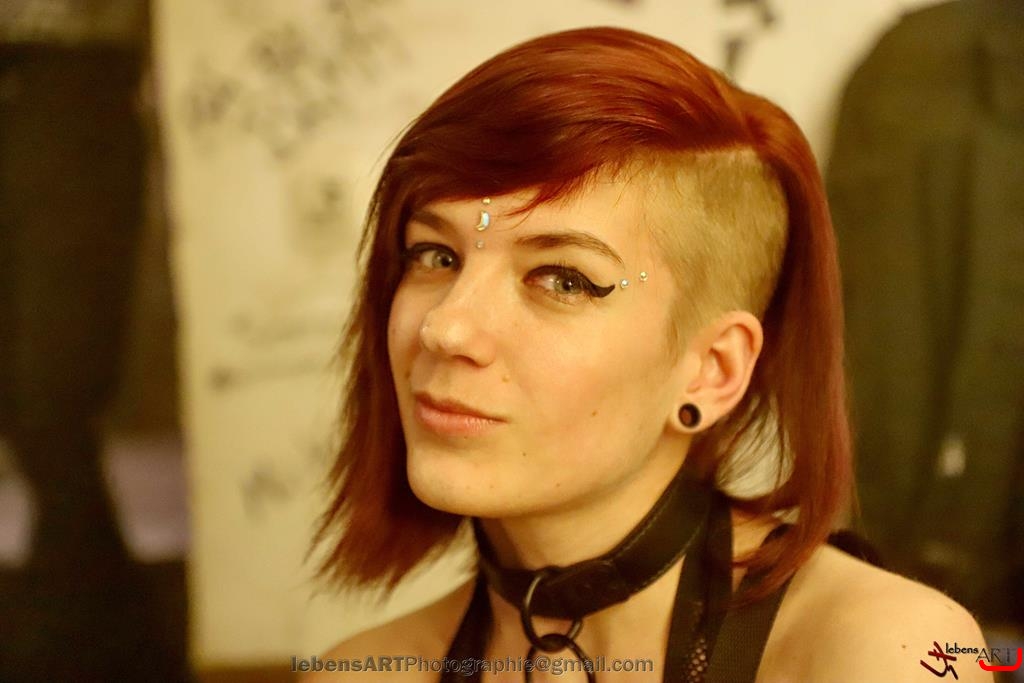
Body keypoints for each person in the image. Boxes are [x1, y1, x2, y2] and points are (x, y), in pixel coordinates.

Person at [303, 27, 991, 682]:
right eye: (434, 254)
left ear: (713, 369)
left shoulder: (892, 652)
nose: (446, 328)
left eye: (562, 279)